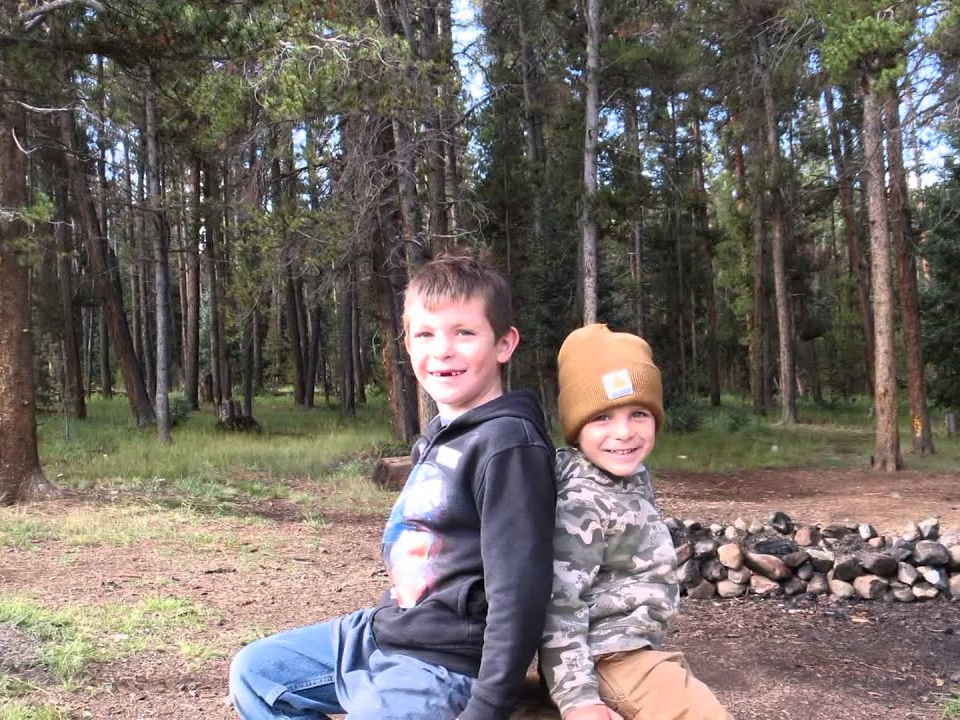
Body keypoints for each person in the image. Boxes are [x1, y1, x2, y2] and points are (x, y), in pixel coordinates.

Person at [229, 253, 557, 720]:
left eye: (464, 333)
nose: (442, 349)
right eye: (425, 334)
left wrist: (487, 707)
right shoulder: (441, 436)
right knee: (258, 673)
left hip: (445, 662)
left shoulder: (508, 445)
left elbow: (519, 593)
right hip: (386, 631)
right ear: (407, 345)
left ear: (504, 344)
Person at [540, 324, 731, 720]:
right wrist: (579, 700)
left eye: (638, 413)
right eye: (603, 418)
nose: (624, 432)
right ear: (576, 429)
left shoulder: (628, 478)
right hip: (608, 656)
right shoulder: (581, 501)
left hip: (633, 646)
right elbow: (559, 605)